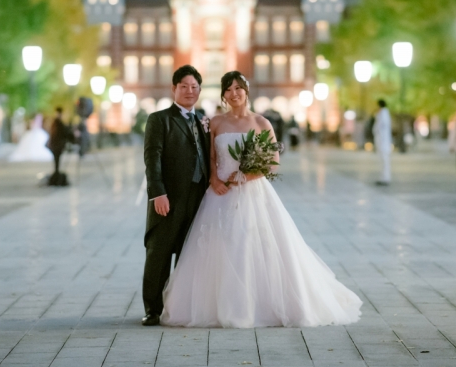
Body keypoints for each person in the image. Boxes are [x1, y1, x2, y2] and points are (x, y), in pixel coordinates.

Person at [160, 71, 361, 328]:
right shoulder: (214, 122)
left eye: (238, 89)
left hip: (252, 193)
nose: (234, 94)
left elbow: (272, 162)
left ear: (246, 91)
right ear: (223, 94)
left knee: (249, 243)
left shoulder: (261, 123)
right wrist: (215, 180)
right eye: (228, 90)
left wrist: (245, 176)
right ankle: (218, 304)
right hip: (219, 194)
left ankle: (254, 305)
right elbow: (209, 156)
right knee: (220, 245)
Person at [141, 65, 210, 327]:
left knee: (188, 254)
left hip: (197, 198)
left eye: (194, 87)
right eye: (184, 86)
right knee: (159, 254)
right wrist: (158, 193)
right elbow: (152, 158)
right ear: (174, 89)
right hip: (168, 199)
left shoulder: (204, 120)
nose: (190, 91)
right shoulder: (159, 120)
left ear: (200, 90)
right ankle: (153, 309)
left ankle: (179, 306)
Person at [47, 107, 71, 183]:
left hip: (56, 145)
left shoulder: (56, 122)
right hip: (56, 145)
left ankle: (57, 175)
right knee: (56, 161)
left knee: (57, 161)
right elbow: (63, 133)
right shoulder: (57, 123)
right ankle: (56, 176)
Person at [373, 99, 392, 185]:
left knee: (385, 160)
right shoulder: (382, 113)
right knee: (383, 160)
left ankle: (385, 177)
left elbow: (381, 127)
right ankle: (384, 177)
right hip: (382, 141)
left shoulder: (383, 114)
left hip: (383, 141)